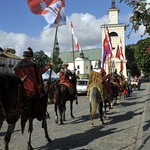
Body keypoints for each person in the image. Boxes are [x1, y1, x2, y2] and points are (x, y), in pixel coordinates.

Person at [14, 47, 48, 121]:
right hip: (30, 87)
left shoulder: (17, 66)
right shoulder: (32, 65)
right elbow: (39, 73)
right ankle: (40, 113)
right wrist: (47, 67)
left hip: (19, 87)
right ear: (30, 57)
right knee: (42, 94)